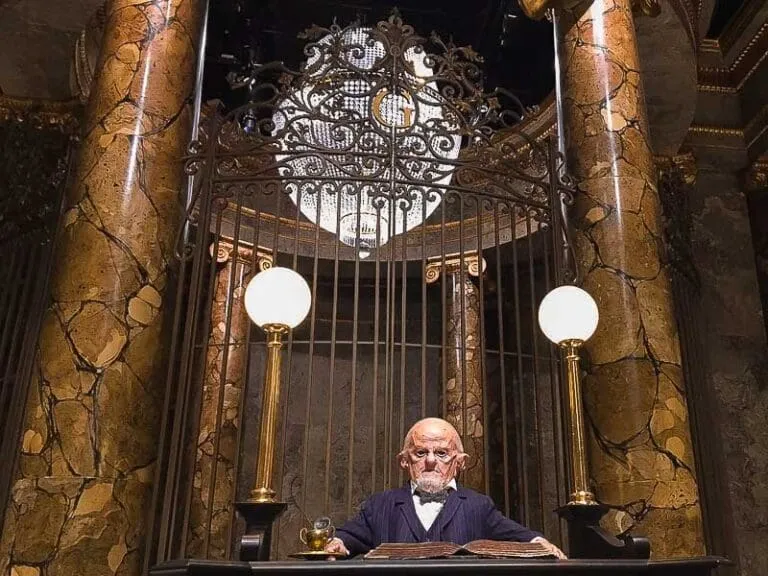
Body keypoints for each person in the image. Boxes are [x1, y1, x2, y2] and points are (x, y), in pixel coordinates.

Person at [325, 417, 566, 558]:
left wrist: (540, 543)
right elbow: (347, 537)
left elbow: (519, 536)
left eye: (441, 453)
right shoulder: (380, 504)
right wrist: (337, 545)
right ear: (404, 461)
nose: (431, 461)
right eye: (421, 453)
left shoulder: (478, 506)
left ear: (460, 462)